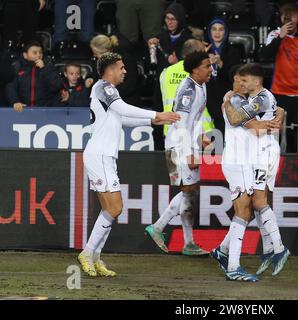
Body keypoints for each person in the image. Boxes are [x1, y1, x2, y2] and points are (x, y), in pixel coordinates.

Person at [77, 52, 180, 277]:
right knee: (115, 208)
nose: (125, 71)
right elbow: (123, 109)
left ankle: (95, 257)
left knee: (109, 209)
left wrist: (154, 120)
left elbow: (122, 118)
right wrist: (157, 114)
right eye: (121, 67)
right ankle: (87, 253)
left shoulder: (105, 93)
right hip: (100, 156)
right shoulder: (104, 87)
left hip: (102, 156)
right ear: (110, 69)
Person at [213, 63, 290, 279]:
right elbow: (250, 126)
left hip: (249, 159)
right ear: (235, 81)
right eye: (240, 79)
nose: (243, 82)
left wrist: (277, 116)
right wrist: (269, 123)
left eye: (246, 79)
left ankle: (224, 252)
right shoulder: (235, 100)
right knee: (246, 209)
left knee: (250, 207)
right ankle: (236, 265)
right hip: (238, 161)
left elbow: (272, 109)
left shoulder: (248, 99)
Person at [145, 51, 213, 256]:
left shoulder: (200, 85)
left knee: (189, 192)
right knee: (188, 190)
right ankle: (158, 227)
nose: (211, 69)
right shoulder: (188, 90)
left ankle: (188, 242)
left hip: (182, 145)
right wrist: (189, 152)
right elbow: (181, 122)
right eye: (207, 66)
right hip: (179, 146)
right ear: (195, 69)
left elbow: (196, 118)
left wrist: (201, 136)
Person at [259, 3, 298, 153]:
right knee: (276, 134)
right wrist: (281, 37)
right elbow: (264, 56)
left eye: (292, 15)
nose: (289, 18)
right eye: (285, 15)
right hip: (279, 92)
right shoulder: (274, 35)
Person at [157, 39, 214, 149]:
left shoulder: (166, 72)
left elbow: (159, 99)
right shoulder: (198, 74)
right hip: (196, 132)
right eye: (202, 52)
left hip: (171, 129)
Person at [205, 18, 245, 134]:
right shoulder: (203, 49)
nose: (217, 33)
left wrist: (220, 64)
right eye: (214, 29)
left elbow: (236, 76)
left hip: (226, 96)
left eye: (221, 29)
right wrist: (201, 56)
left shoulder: (234, 50)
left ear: (226, 31)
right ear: (209, 32)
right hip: (207, 95)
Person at [6, 41, 63, 111]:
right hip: (23, 110)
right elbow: (11, 87)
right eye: (34, 52)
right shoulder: (17, 67)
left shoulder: (49, 66)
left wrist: (44, 69)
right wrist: (15, 101)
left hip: (45, 111)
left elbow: (56, 86)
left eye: (40, 52)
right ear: (25, 55)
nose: (38, 55)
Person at [89, 34, 141, 106]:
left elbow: (130, 86)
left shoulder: (125, 60)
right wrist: (90, 78)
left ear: (105, 52)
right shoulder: (101, 60)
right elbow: (97, 76)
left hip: (126, 103)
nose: (95, 56)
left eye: (96, 53)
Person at [148, 2, 194, 75]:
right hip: (162, 81)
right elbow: (152, 65)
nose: (169, 22)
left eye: (173, 19)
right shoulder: (160, 37)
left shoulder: (190, 40)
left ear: (180, 20)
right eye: (167, 18)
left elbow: (194, 67)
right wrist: (150, 47)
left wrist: (177, 64)